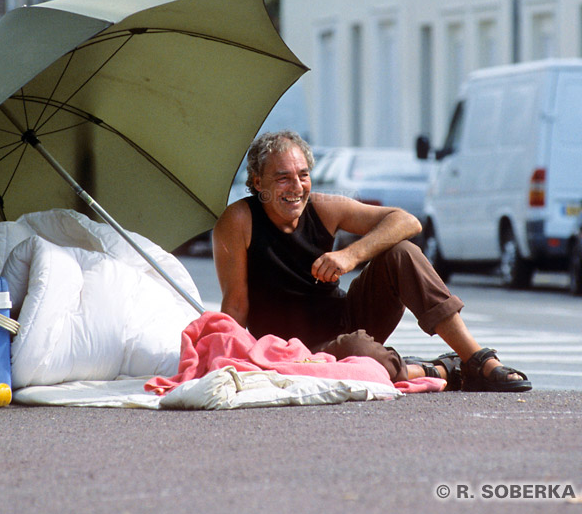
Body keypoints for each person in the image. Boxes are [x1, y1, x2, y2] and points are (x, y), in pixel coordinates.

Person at [211, 130, 530, 392]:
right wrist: (234, 364)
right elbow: (236, 306)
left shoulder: (324, 207)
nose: (296, 187)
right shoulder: (238, 221)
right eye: (282, 178)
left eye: (303, 175)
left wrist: (351, 255)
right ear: (256, 182)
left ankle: (475, 358)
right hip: (290, 351)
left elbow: (407, 221)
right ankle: (440, 368)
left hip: (346, 323)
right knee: (360, 355)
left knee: (401, 252)